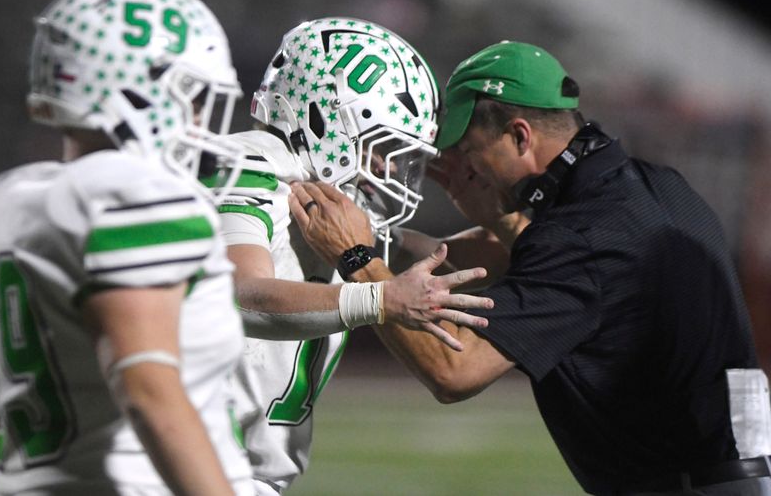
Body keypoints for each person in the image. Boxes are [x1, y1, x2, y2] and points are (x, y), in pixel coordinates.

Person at [289, 40, 771, 495]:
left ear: (519, 135)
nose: (460, 167)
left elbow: (455, 371)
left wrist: (357, 259)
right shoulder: (655, 187)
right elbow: (534, 261)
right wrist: (484, 218)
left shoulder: (580, 237)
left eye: (467, 150)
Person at [0, 0, 255, 495]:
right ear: (140, 91)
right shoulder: (134, 195)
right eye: (193, 98)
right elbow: (149, 391)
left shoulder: (6, 198)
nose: (202, 120)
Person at [213, 17, 492, 495]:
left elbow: (445, 259)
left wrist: (548, 240)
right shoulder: (252, 167)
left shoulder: (338, 210)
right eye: (382, 147)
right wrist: (379, 300)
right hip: (193, 472)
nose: (391, 170)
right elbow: (239, 296)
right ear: (324, 119)